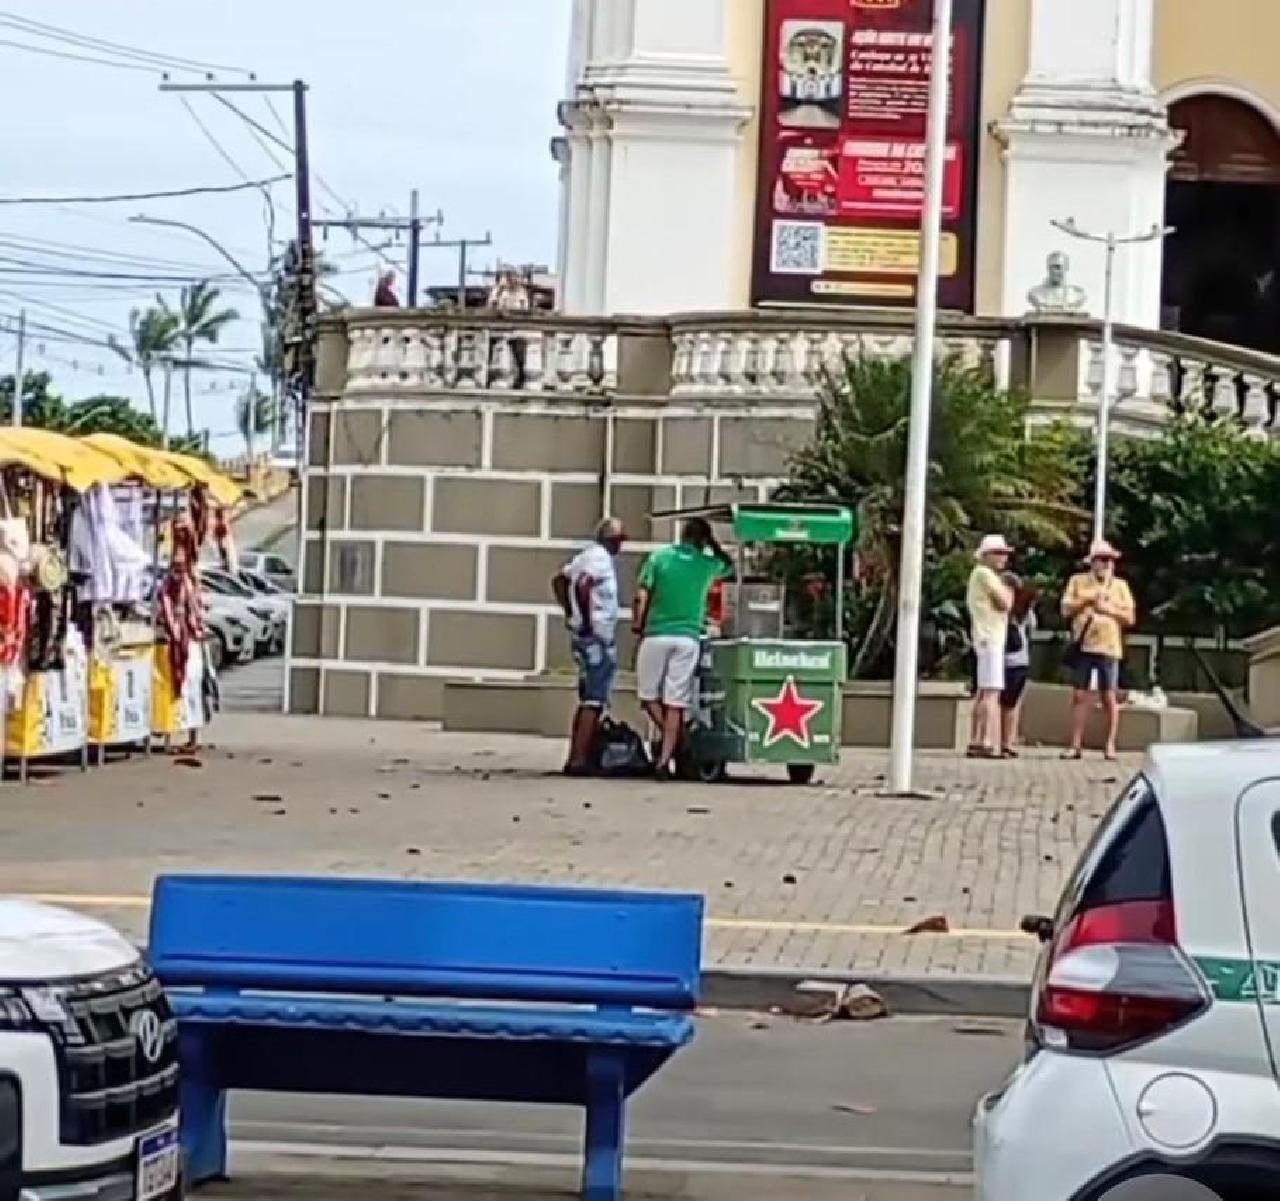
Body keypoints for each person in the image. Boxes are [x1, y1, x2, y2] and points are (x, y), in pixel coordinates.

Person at [633, 517, 734, 778]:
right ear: (702, 540)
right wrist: (713, 544)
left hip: (656, 633)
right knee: (675, 702)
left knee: (648, 697)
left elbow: (641, 594)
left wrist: (638, 622)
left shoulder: (659, 558)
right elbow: (729, 565)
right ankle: (665, 760)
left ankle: (678, 740)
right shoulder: (706, 564)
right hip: (688, 637)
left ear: (682, 535)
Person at [551, 517, 625, 776]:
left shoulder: (585, 556)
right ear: (612, 540)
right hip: (596, 637)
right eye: (620, 540)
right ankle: (579, 759)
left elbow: (560, 580)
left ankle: (580, 754)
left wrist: (571, 613)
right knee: (594, 698)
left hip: (587, 635)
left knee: (589, 697)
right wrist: (586, 622)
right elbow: (584, 585)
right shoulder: (600, 559)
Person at [1061, 539, 1136, 762]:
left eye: (1109, 560)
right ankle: (1075, 744)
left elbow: (1130, 618)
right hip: (1084, 644)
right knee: (1080, 694)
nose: (1106, 564)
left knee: (1108, 696)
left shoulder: (1120, 586)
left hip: (1109, 646)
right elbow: (1065, 609)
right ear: (1092, 562)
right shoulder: (1078, 582)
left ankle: (1109, 744)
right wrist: (1087, 600)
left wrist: (1108, 610)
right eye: (1102, 559)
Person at [966, 534, 1014, 759]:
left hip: (986, 636)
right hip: (991, 637)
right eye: (998, 553)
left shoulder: (981, 575)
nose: (1003, 558)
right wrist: (1009, 590)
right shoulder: (985, 574)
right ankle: (986, 740)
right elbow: (1005, 603)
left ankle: (976, 738)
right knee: (992, 691)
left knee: (983, 690)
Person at [999, 573, 1038, 758]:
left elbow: (1031, 626)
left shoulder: (1021, 612)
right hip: (1011, 660)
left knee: (1010, 703)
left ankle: (1007, 741)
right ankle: (1003, 741)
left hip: (1016, 660)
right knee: (1006, 703)